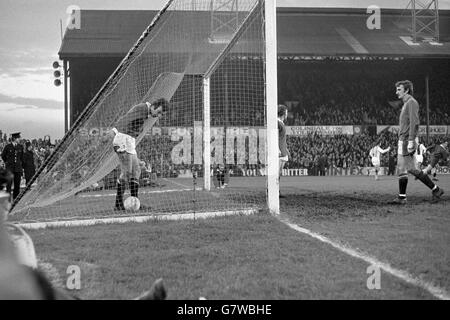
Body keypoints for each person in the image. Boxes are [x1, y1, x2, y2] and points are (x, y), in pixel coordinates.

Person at [389, 80, 443, 204]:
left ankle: (436, 189)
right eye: (396, 89)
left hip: (407, 139)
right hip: (403, 139)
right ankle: (402, 197)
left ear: (407, 90)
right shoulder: (406, 103)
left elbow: (415, 122)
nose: (396, 92)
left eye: (399, 89)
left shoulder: (411, 102)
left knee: (411, 168)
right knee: (402, 168)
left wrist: (411, 140)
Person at [111, 98, 168, 211]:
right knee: (126, 172)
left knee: (137, 170)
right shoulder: (142, 108)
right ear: (154, 106)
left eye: (162, 114)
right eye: (160, 112)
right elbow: (126, 118)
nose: (159, 115)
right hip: (123, 138)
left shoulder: (145, 113)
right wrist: (114, 131)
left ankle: (134, 203)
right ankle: (118, 205)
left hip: (129, 141)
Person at [1, 132, 24, 201]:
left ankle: (15, 200)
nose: (19, 139)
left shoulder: (20, 147)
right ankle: (8, 200)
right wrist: (7, 163)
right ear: (14, 138)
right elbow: (3, 156)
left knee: (17, 186)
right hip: (9, 169)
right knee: (9, 185)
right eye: (18, 138)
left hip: (18, 169)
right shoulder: (8, 146)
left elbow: (21, 157)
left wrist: (20, 166)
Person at [278, 104, 290, 198]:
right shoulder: (278, 123)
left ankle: (276, 191)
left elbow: (282, 139)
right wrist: (278, 150)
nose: (287, 114)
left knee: (279, 173)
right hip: (279, 153)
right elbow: (276, 137)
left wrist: (286, 149)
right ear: (283, 113)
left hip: (283, 151)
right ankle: (274, 192)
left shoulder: (281, 123)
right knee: (276, 174)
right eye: (286, 112)